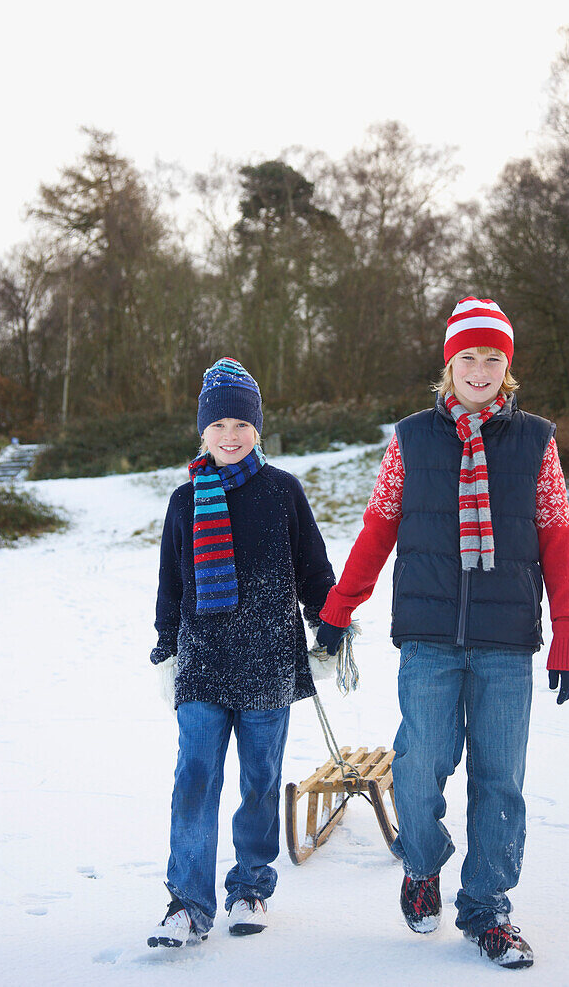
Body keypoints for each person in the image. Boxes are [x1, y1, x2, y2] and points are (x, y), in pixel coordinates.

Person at [316, 298, 569, 971]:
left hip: (505, 642)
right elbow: (379, 527)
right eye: (467, 357)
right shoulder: (411, 439)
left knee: (499, 782)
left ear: (507, 368)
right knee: (417, 768)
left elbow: (556, 539)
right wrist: (338, 606)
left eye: (492, 358)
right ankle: (422, 865)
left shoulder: (536, 441)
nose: (479, 369)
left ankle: (487, 909)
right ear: (448, 365)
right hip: (428, 638)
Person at [147, 357, 335, 948]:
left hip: (268, 663)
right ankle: (188, 903)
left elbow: (314, 571)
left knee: (260, 778)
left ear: (258, 429)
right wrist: (165, 651)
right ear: (202, 431)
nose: (230, 436)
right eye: (219, 425)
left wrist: (328, 633)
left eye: (241, 424)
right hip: (202, 663)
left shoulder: (283, 492)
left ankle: (250, 885)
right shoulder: (184, 502)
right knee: (195, 777)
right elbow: (170, 585)